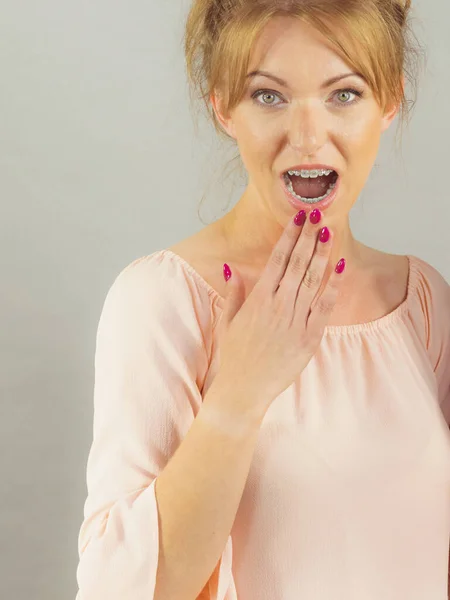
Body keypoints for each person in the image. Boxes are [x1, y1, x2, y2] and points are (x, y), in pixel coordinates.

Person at [75, 1, 450, 599]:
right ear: (222, 104)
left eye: (345, 94)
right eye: (269, 96)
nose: (307, 136)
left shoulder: (423, 302)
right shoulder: (164, 301)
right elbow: (116, 589)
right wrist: (240, 393)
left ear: (391, 102)